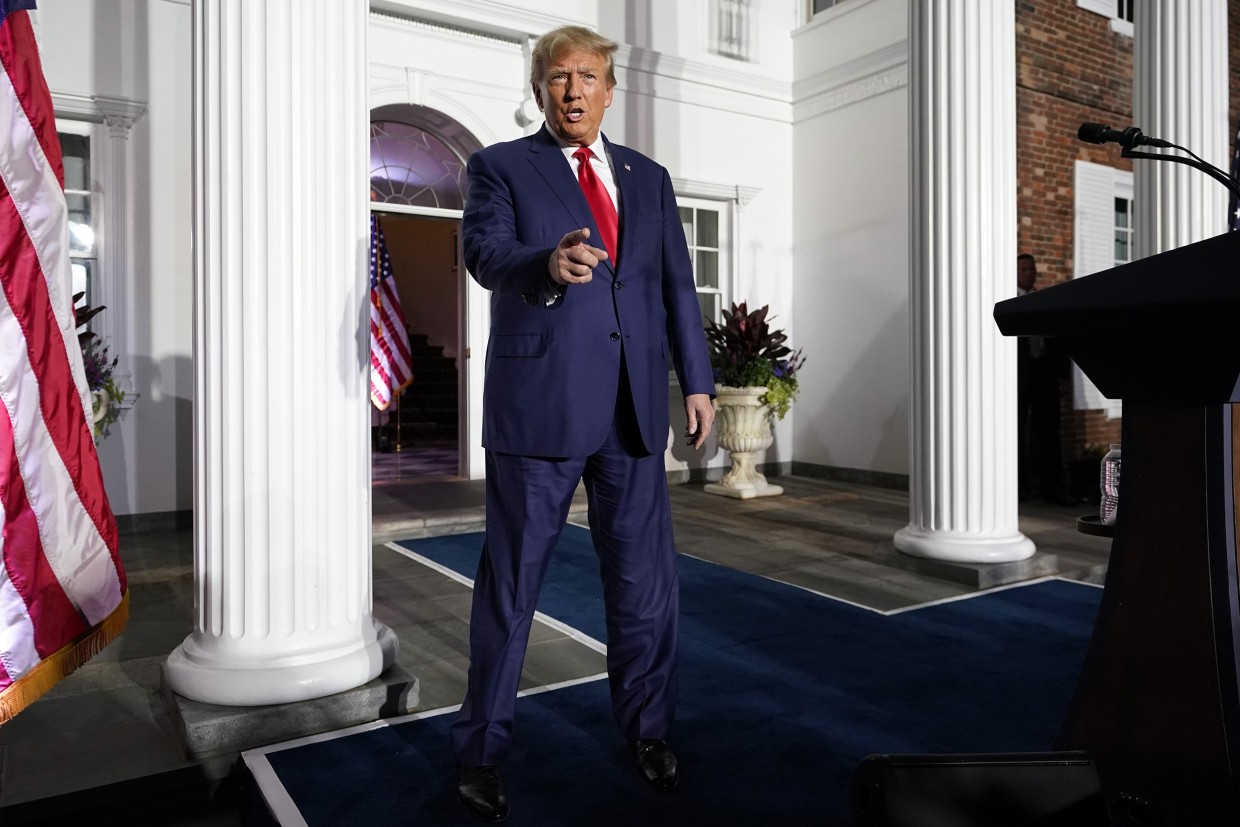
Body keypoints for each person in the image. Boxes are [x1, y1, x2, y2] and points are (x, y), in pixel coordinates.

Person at [449, 25, 717, 823]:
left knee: (643, 589)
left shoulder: (649, 176)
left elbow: (676, 286)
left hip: (632, 409)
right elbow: (486, 253)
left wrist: (695, 383)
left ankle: (648, 728)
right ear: (540, 90)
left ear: (609, 89)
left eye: (588, 76)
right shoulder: (500, 166)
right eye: (559, 77)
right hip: (541, 407)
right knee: (511, 587)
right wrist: (546, 263)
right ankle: (480, 749)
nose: (573, 90)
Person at [1016, 253, 1073, 505]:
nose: (1029, 273)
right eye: (1024, 269)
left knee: (1049, 432)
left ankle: (1053, 489)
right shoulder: (1007, 302)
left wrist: (1064, 376)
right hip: (1016, 377)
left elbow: (1058, 342)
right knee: (1015, 433)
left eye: (1032, 269)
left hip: (1044, 375)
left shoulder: (1042, 301)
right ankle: (1019, 488)